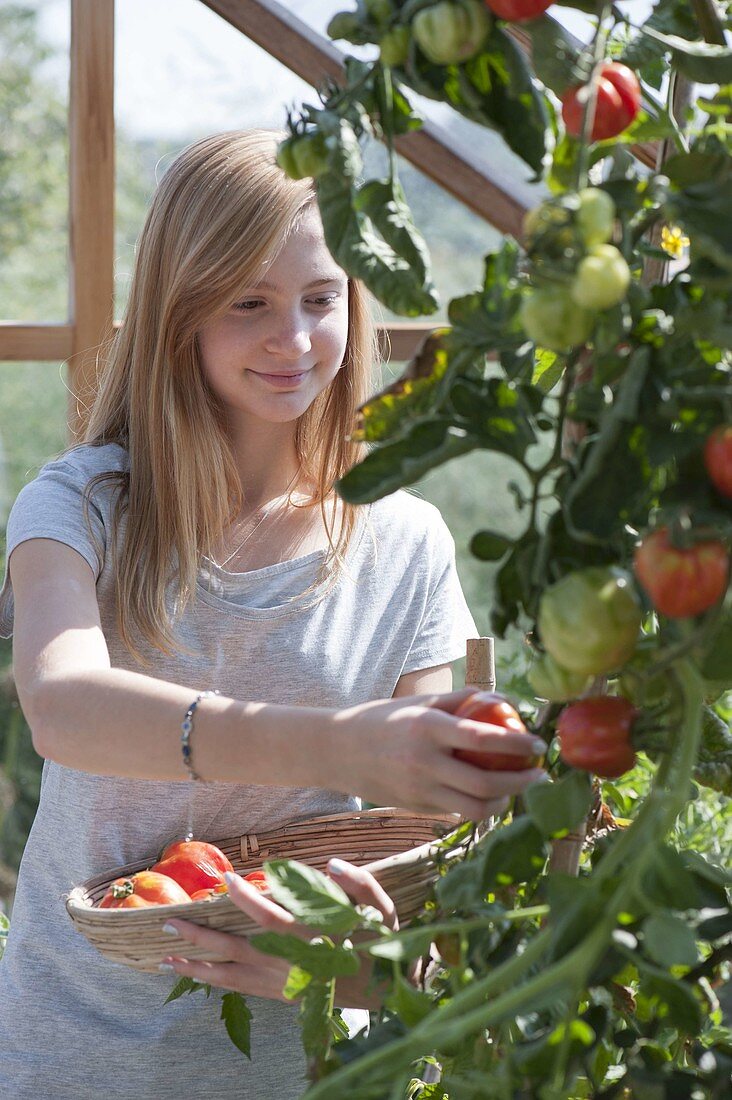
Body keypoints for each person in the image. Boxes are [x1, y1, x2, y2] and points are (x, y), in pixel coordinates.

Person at [0, 130, 546, 1098]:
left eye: (320, 298)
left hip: (300, 1072)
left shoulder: (404, 544)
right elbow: (63, 702)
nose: (294, 339)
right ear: (181, 313)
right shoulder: (81, 506)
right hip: (69, 1057)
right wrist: (339, 747)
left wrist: (354, 967)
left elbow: (436, 883)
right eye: (249, 302)